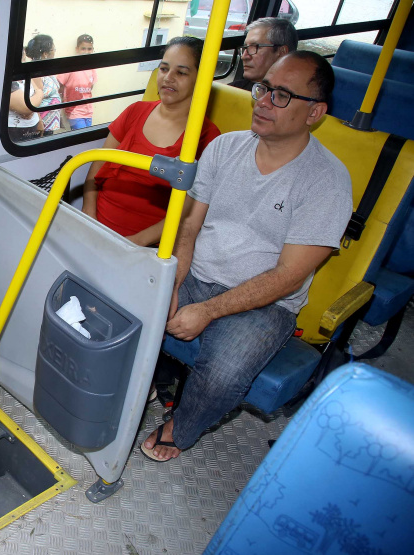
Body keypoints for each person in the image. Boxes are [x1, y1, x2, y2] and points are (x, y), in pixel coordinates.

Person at [140, 51, 353, 462]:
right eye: (263, 89)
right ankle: (136, 385)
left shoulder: (327, 182)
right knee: (125, 306)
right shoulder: (225, 147)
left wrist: (207, 311)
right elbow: (189, 226)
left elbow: (289, 276)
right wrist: (174, 280)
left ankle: (181, 427)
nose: (264, 101)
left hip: (266, 302)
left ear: (315, 113)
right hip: (197, 273)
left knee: (224, 375)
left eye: (282, 95)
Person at [81, 36, 221, 246]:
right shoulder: (134, 111)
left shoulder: (207, 137)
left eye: (181, 72)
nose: (168, 78)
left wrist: (134, 244)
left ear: (200, 80)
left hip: (146, 245)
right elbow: (96, 168)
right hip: (97, 229)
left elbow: (189, 210)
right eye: (164, 69)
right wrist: (88, 218)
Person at [229, 17, 298, 91]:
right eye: (245, 47)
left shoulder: (297, 96)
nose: (244, 56)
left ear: (281, 52)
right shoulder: (232, 90)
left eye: (255, 47)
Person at [57, 34, 97, 130]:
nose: (86, 52)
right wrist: (63, 101)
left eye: (89, 49)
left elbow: (90, 87)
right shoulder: (71, 66)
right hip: (74, 111)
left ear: (93, 49)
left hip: (88, 111)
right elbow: (59, 84)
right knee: (81, 135)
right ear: (77, 49)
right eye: (83, 49)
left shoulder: (92, 68)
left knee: (88, 136)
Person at [25, 34, 61, 135]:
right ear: (45, 53)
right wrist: (39, 121)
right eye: (53, 49)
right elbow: (35, 99)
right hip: (42, 125)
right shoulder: (36, 71)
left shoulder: (45, 69)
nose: (54, 52)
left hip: (49, 123)